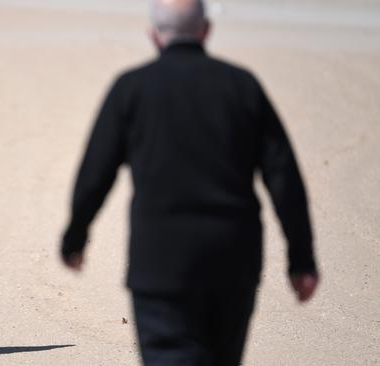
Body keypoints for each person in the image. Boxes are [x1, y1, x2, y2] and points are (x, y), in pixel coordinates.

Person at [60, 0, 320, 365]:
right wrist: (301, 260)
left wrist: (75, 237)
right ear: (206, 30)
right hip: (233, 263)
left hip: (159, 268)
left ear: (154, 35)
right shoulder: (242, 86)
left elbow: (95, 172)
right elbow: (284, 176)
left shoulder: (132, 89)